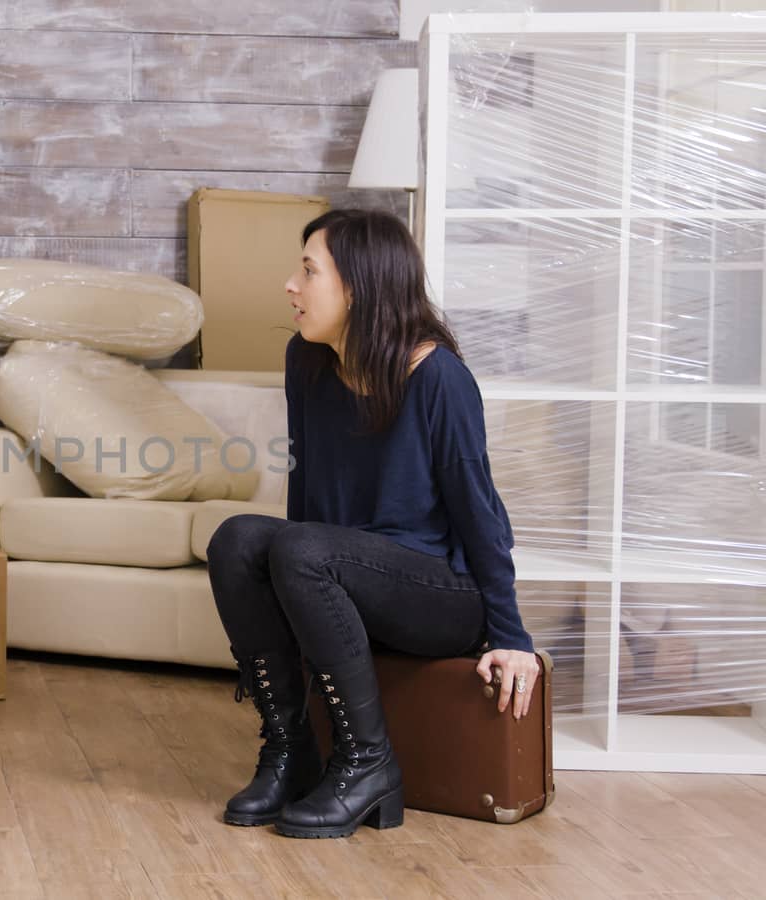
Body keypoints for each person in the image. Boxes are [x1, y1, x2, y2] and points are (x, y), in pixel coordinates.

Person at [205, 208, 540, 839]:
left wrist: (510, 635)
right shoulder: (306, 360)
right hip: (341, 572)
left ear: (358, 285)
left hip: (441, 594)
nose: (290, 286)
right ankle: (291, 749)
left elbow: (480, 511)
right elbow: (304, 493)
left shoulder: (437, 376)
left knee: (304, 548)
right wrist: (290, 592)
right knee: (239, 539)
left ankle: (368, 765)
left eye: (308, 270)